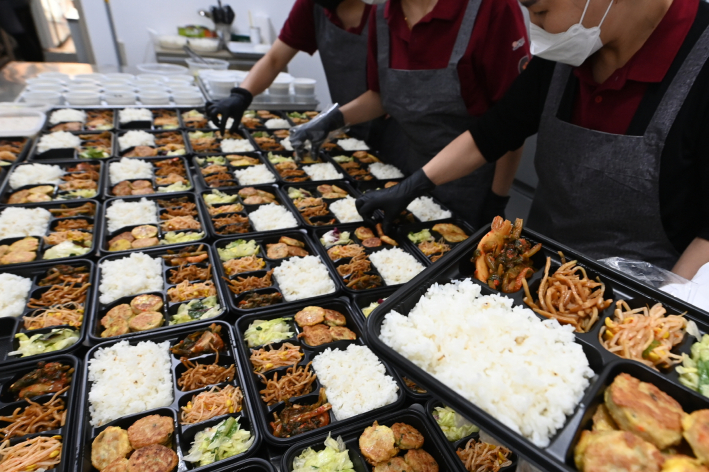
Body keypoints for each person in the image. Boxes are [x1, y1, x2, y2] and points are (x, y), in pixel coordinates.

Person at [356, 0, 709, 279]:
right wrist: (414, 185)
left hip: (639, 296)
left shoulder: (700, 59)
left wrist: (666, 315)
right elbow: (495, 131)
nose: (535, 28)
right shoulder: (572, 47)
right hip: (536, 269)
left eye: (539, 11)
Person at [290, 0, 530, 227]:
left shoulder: (490, 8)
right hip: (407, 173)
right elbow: (381, 96)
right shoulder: (382, 13)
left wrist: (496, 198)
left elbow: (510, 121)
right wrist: (331, 120)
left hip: (473, 185)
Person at [205, 0, 396, 148]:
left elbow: (385, 93)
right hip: (345, 120)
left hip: (394, 125)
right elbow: (274, 59)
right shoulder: (312, 6)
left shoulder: (388, 12)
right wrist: (242, 94)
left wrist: (331, 120)